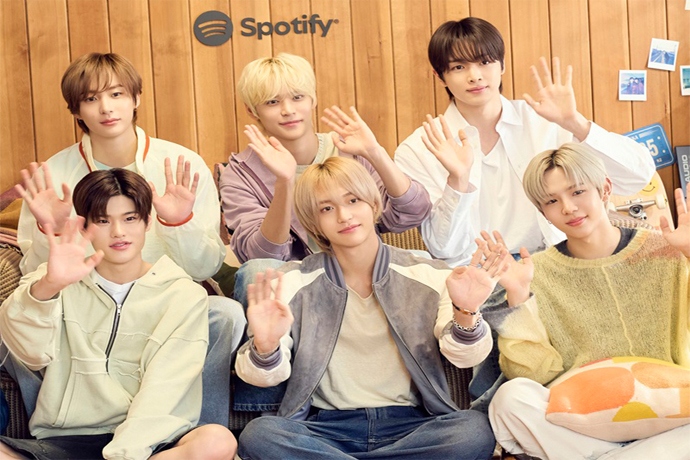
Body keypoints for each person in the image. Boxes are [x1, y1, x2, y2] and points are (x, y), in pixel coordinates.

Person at [9, 52, 245, 427]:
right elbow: (36, 274)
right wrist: (49, 230)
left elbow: (202, 268)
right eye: (91, 98)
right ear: (76, 111)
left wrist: (177, 221)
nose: (106, 108)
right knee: (14, 325)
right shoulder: (54, 174)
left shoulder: (180, 165)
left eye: (116, 94)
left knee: (224, 315)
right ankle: (57, 431)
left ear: (135, 98)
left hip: (167, 305)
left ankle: (204, 432)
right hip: (87, 309)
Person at [234, 156, 506, 459]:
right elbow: (262, 376)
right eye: (326, 208)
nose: (344, 216)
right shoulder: (290, 281)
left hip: (410, 426)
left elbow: (465, 355)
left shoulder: (428, 273)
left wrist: (466, 310)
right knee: (260, 435)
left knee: (473, 431)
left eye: (353, 200)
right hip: (326, 430)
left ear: (373, 203)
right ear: (314, 222)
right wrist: (266, 346)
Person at [0, 169, 237, 459]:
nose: (118, 232)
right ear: (84, 226)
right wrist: (50, 285)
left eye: (130, 218)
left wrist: (125, 454)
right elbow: (29, 353)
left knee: (217, 442)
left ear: (148, 222)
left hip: (150, 443)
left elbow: (166, 388)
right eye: (103, 220)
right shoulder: (54, 279)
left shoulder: (183, 294)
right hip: (69, 438)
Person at [478, 144, 690, 459]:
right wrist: (519, 297)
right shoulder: (535, 273)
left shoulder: (668, 250)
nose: (568, 208)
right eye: (551, 201)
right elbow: (534, 376)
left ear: (605, 189)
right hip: (581, 421)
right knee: (509, 400)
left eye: (577, 191)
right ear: (542, 211)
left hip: (672, 409)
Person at [394, 17, 655, 268]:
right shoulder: (419, 149)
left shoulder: (545, 120)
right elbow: (444, 249)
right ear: (440, 76)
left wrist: (575, 123)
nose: (475, 76)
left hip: (556, 263)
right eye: (458, 67)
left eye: (485, 62)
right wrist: (458, 181)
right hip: (476, 275)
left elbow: (637, 177)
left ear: (502, 65)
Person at [219, 53, 431, 306]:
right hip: (297, 284)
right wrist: (284, 183)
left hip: (363, 269)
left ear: (313, 99)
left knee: (422, 262)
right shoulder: (240, 173)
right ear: (252, 110)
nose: (288, 110)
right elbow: (262, 255)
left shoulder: (347, 148)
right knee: (256, 273)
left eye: (297, 97)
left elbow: (412, 213)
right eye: (272, 102)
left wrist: (375, 152)